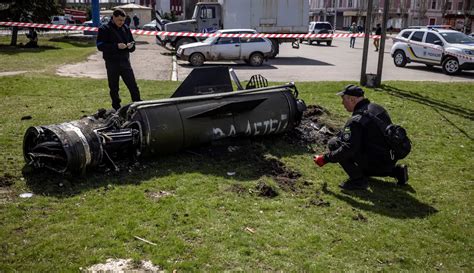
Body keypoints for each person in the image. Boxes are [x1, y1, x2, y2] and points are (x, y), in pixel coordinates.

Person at [313, 84, 408, 190]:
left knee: (334, 144)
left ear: (352, 99)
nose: (342, 103)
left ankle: (358, 181)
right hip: (389, 159)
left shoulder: (356, 120)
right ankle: (397, 171)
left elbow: (348, 149)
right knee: (365, 155)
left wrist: (325, 158)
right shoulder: (377, 108)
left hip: (376, 162)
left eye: (343, 99)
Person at [97, 8, 141, 110]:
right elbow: (100, 45)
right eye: (119, 20)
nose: (121, 22)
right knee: (114, 87)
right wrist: (116, 46)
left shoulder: (125, 28)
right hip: (112, 63)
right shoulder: (104, 28)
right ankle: (116, 108)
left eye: (123, 20)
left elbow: (133, 42)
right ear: (113, 18)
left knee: (133, 86)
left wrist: (131, 46)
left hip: (125, 62)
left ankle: (138, 105)